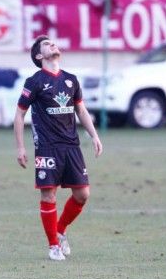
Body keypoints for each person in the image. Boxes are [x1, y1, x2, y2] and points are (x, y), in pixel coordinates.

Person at [14, 35, 103, 261]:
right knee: (49, 194)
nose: (52, 44)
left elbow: (81, 111)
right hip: (46, 146)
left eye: (53, 42)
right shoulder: (34, 82)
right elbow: (20, 113)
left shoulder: (71, 80)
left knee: (83, 194)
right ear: (39, 55)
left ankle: (60, 230)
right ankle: (53, 246)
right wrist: (20, 147)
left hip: (71, 145)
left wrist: (94, 135)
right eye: (46, 44)